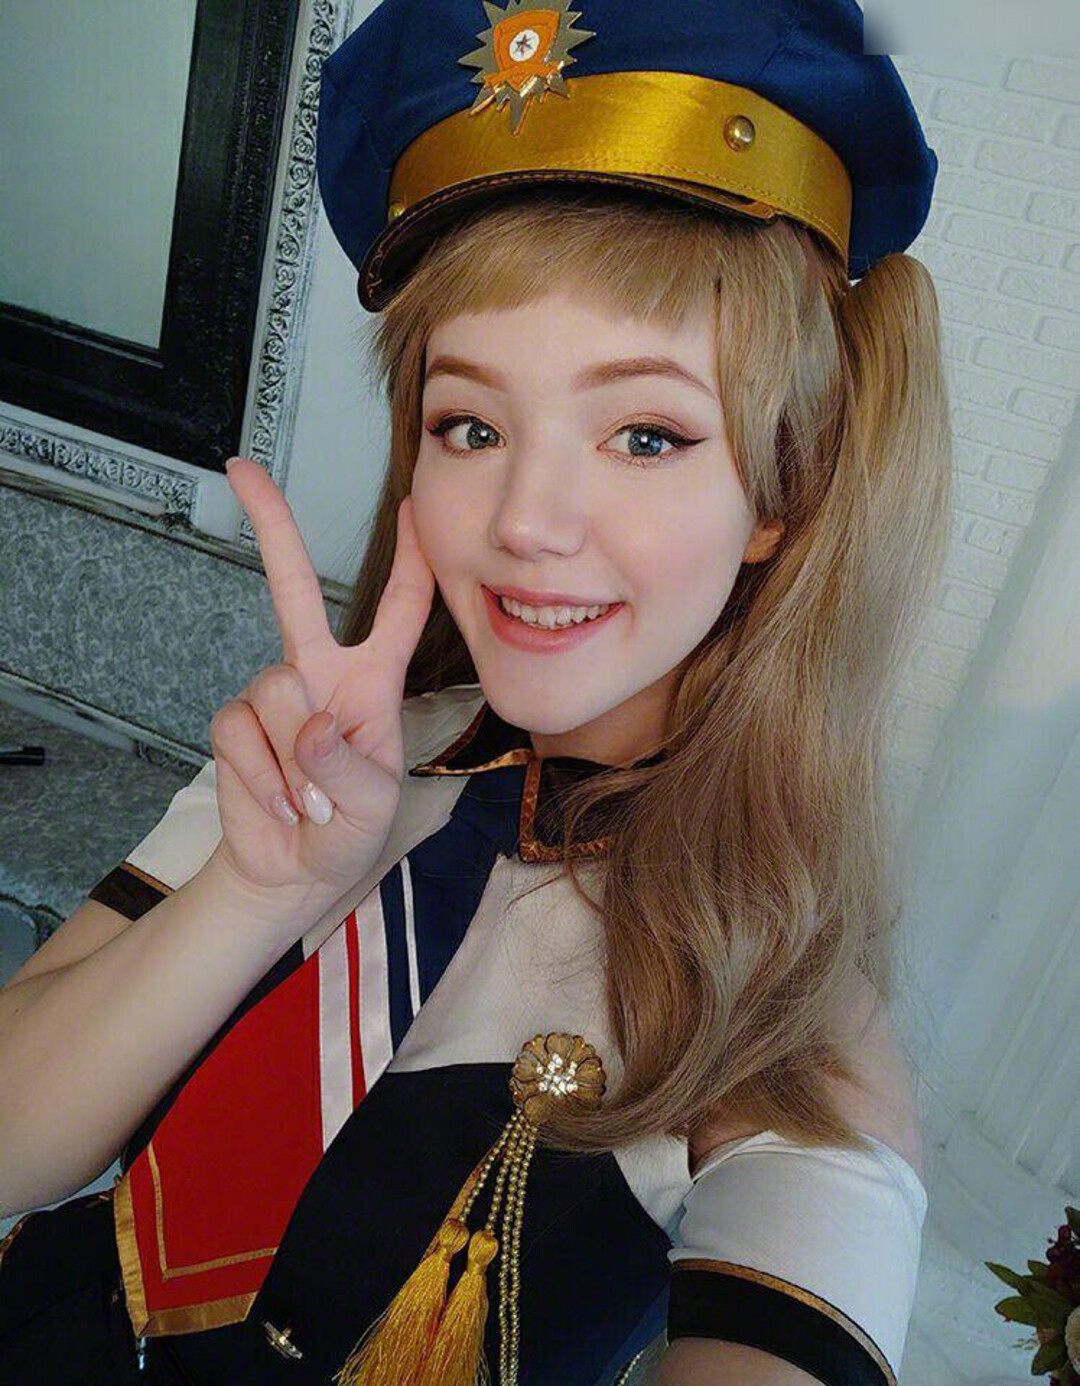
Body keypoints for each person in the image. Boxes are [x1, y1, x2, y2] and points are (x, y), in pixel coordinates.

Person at [0, 0, 951, 1382]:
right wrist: (255, 890)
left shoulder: (786, 1021)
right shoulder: (332, 755)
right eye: (470, 424)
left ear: (782, 490)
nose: (524, 521)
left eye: (646, 433)